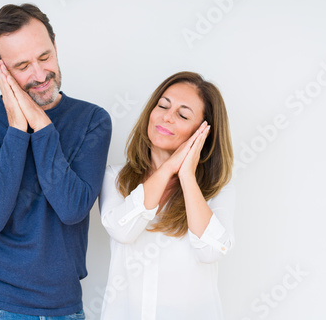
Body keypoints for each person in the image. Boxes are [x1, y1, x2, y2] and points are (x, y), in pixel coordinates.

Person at [0, 3, 112, 319]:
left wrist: (41, 126)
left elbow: (71, 209)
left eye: (44, 57)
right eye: (23, 66)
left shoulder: (92, 120)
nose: (40, 75)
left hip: (62, 305)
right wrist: (16, 127)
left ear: (55, 45)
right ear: (1, 70)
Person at [99, 71, 235, 320]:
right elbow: (123, 231)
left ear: (203, 133)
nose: (166, 117)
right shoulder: (115, 178)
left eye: (183, 115)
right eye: (162, 105)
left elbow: (211, 251)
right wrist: (168, 169)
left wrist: (187, 176)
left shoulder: (217, 191)